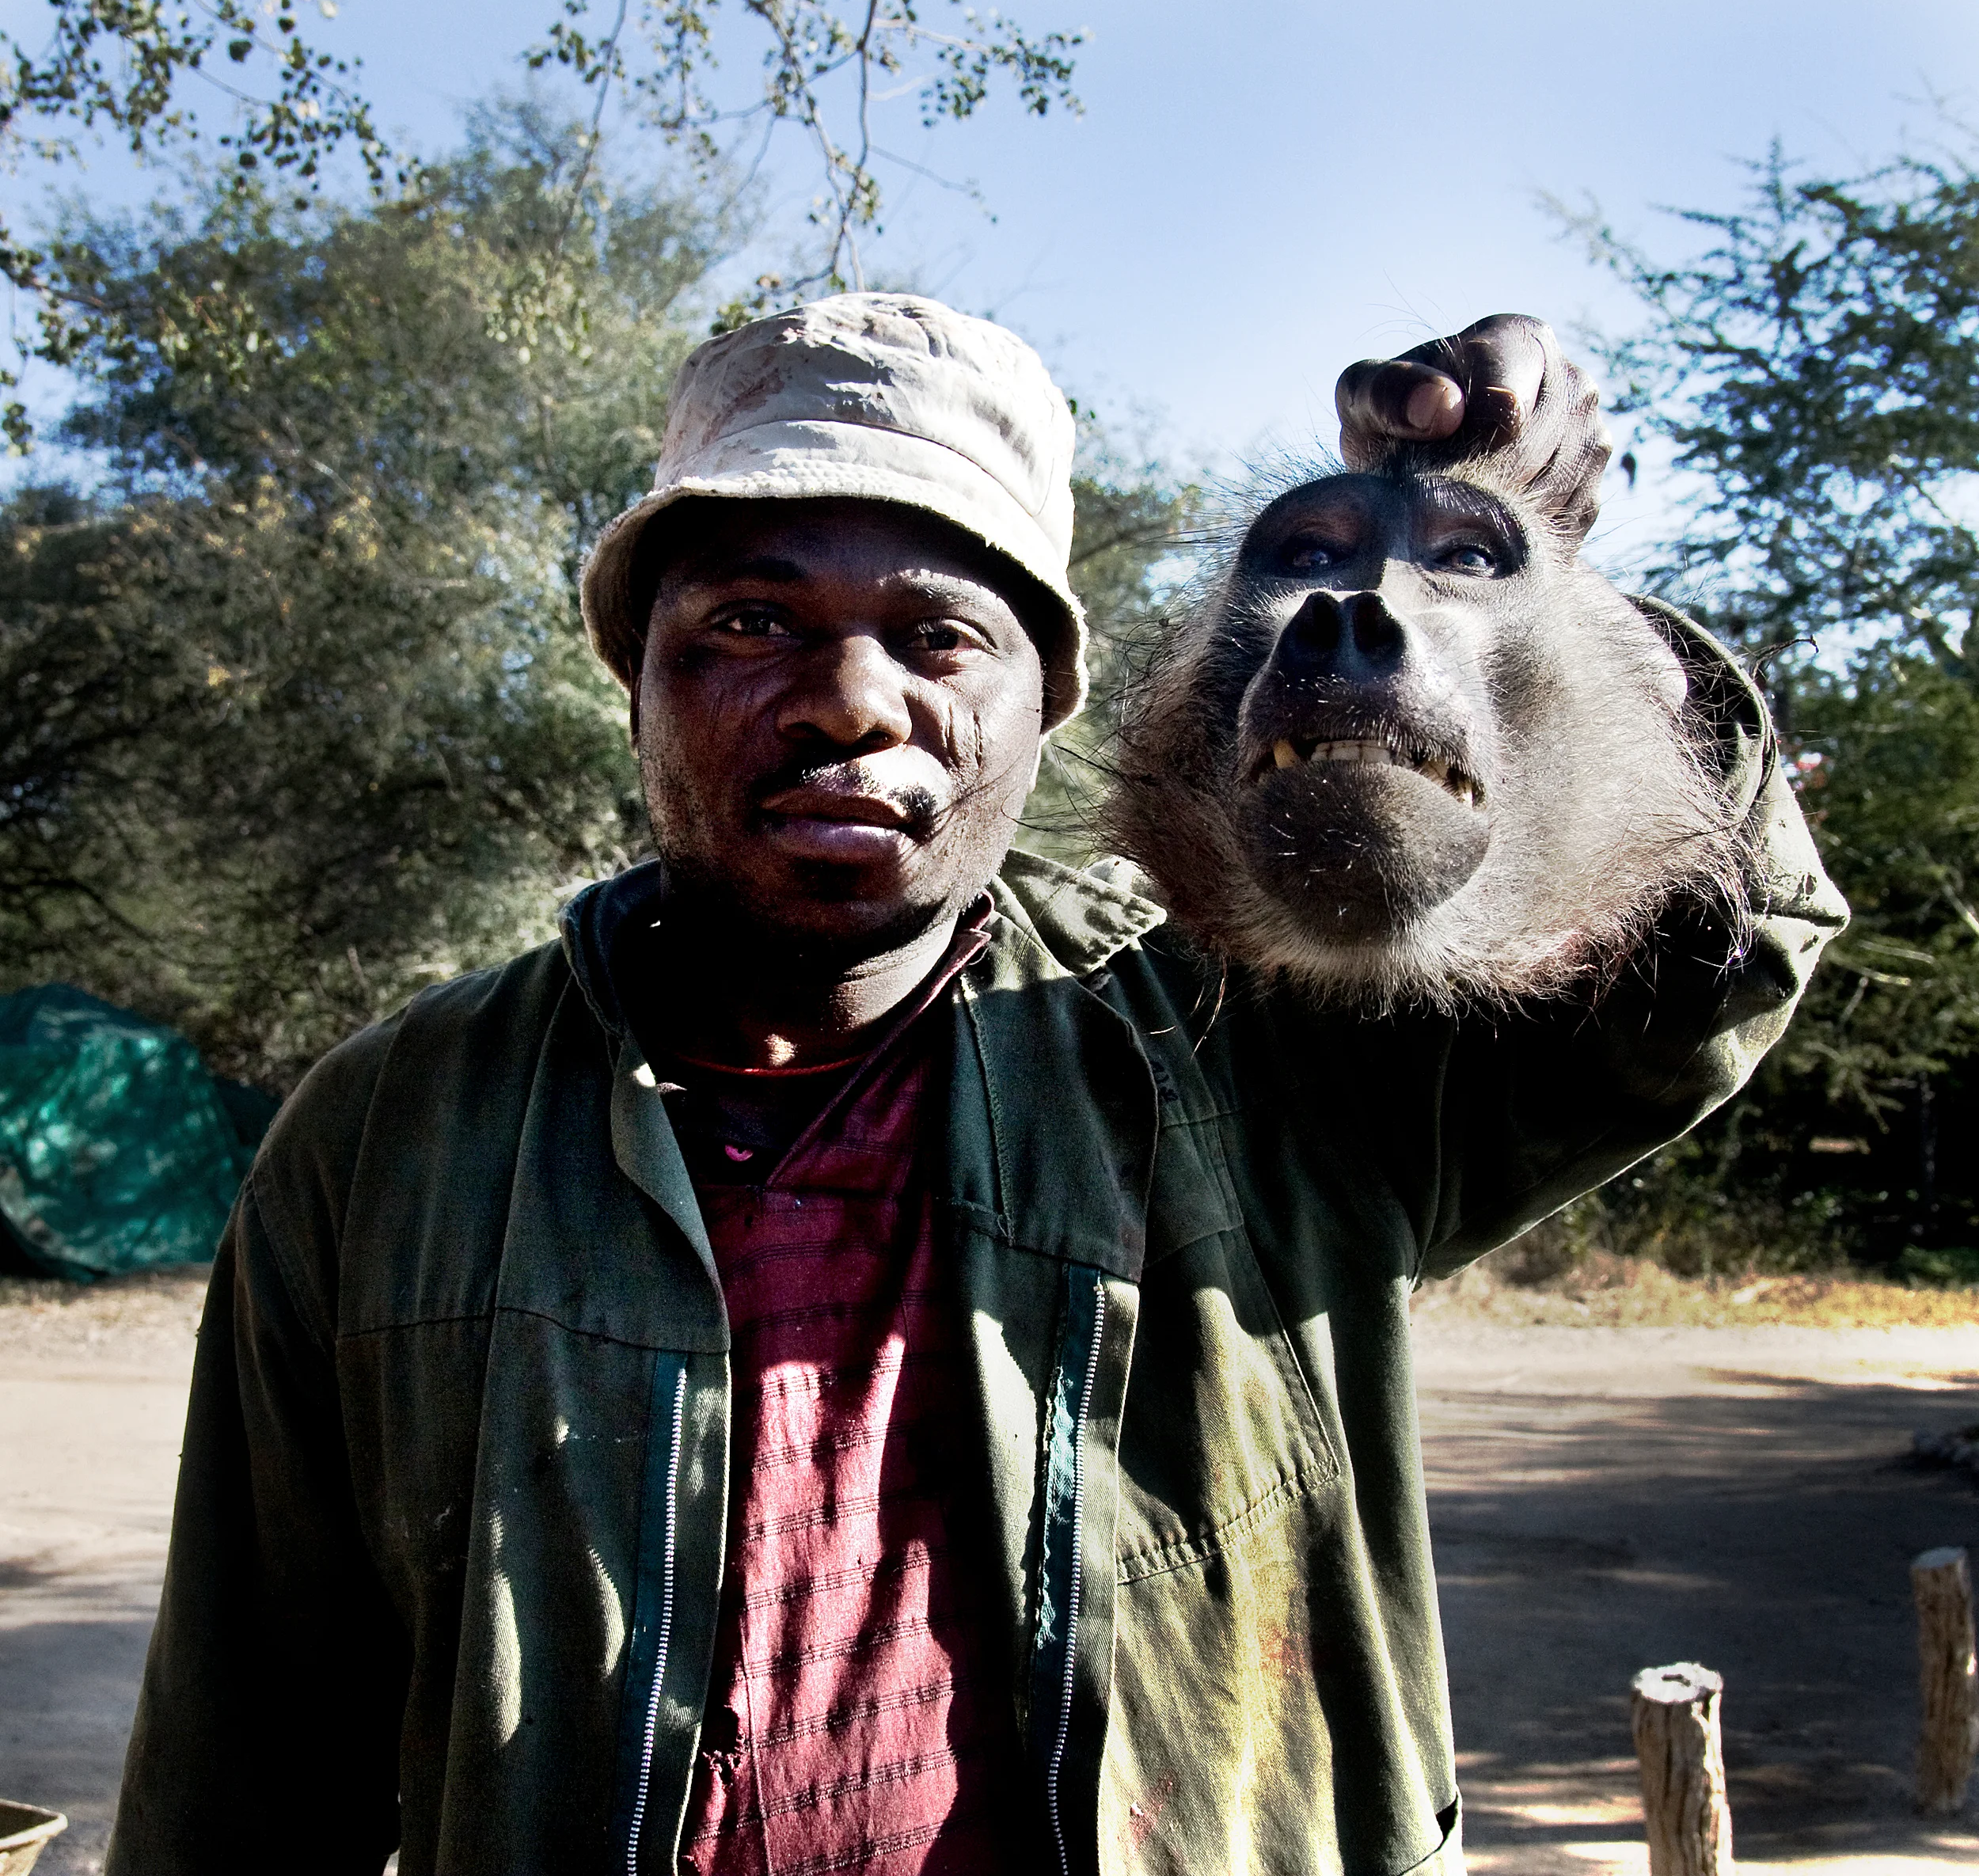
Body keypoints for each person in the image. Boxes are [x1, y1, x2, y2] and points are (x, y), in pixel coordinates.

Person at [107, 294, 1843, 1876]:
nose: (847, 701)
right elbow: (244, 1769)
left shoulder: (1255, 1055)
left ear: (1046, 702)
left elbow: (1710, 950)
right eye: (748, 623)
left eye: (937, 636)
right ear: (634, 677)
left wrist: (1524, 576)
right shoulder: (388, 1136)